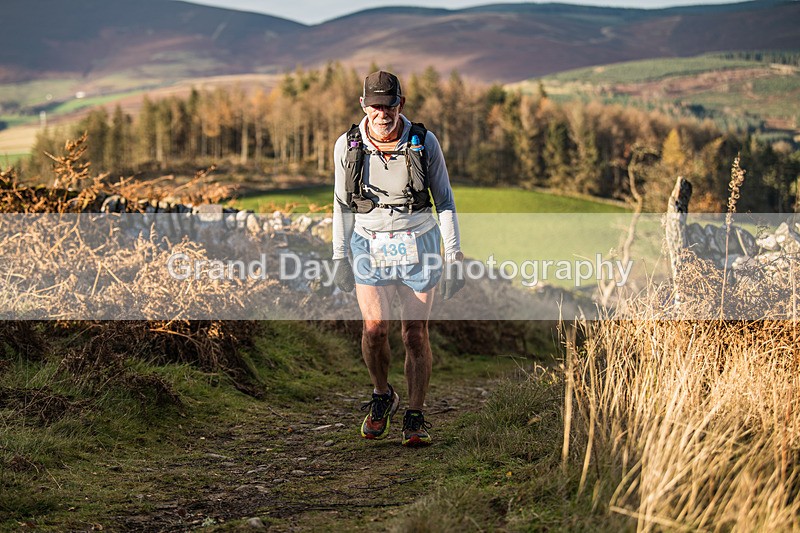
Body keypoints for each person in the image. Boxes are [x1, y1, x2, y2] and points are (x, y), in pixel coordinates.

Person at [331, 70, 464, 447]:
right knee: (374, 330)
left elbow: (446, 202)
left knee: (414, 335)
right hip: (367, 243)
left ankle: (416, 416)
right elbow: (341, 205)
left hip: (419, 244)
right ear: (364, 105)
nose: (382, 113)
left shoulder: (424, 141)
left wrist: (453, 255)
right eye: (375, 106)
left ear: (400, 104)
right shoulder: (348, 145)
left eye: (389, 105)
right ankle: (381, 395)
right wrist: (340, 255)